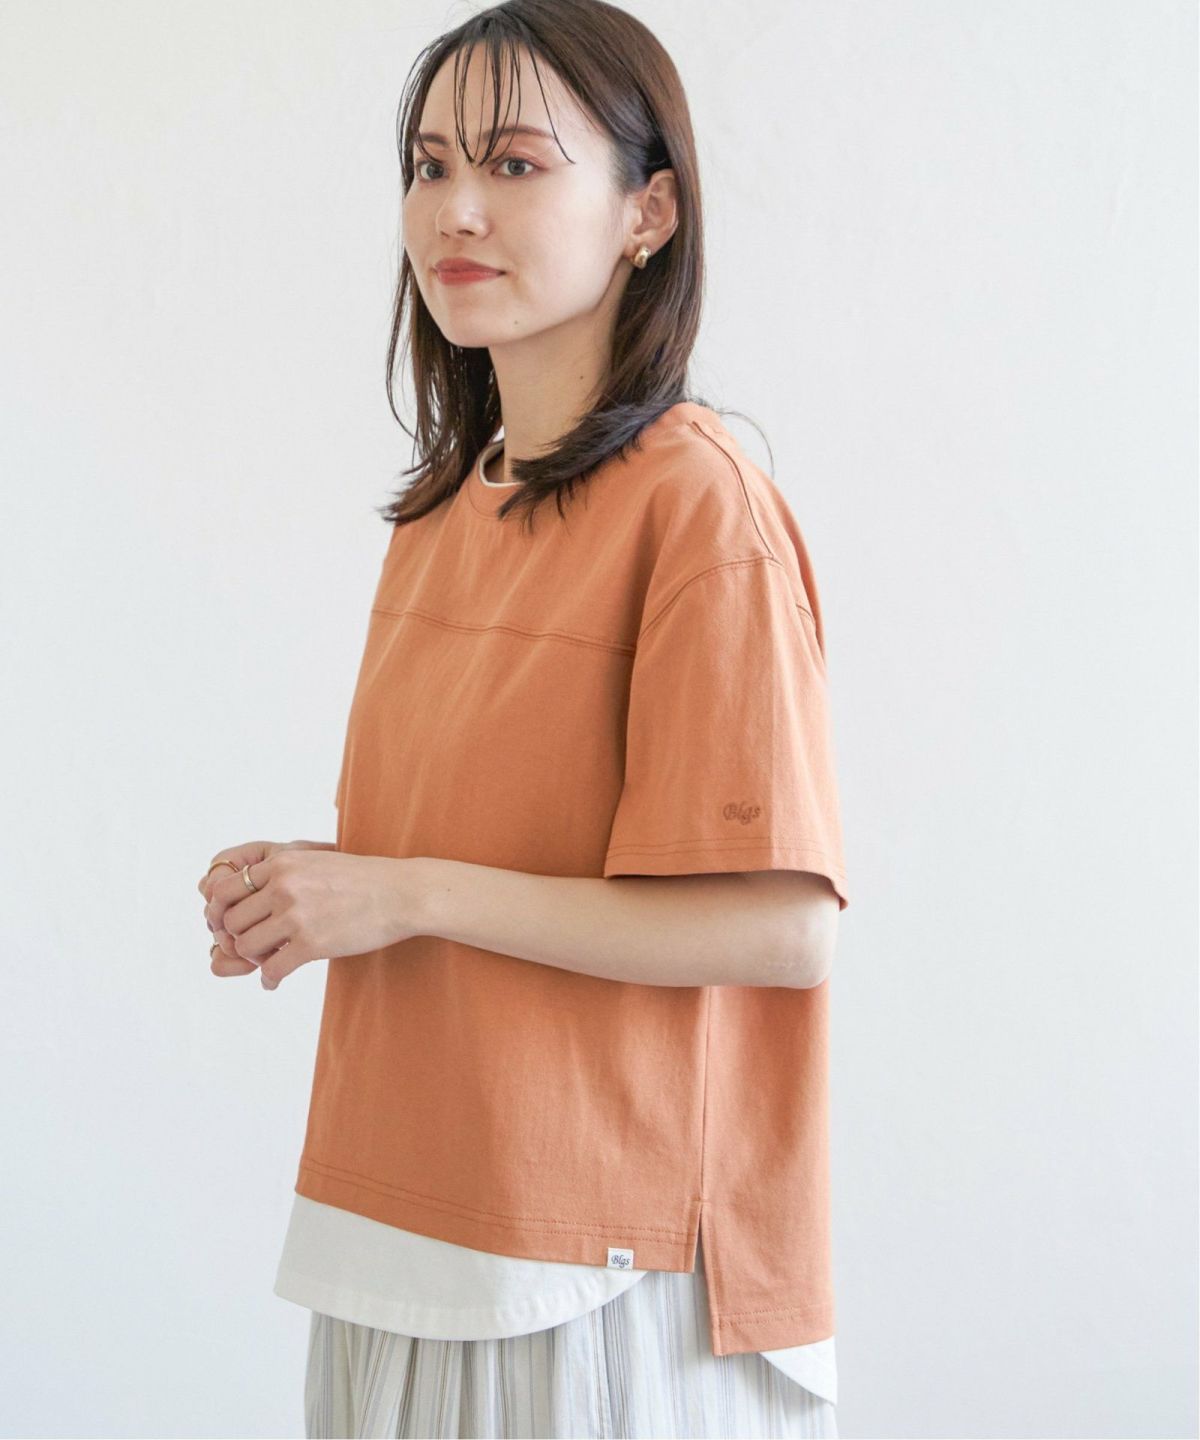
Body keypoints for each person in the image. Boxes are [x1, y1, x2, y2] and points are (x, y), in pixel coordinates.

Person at [199, 2, 850, 1435]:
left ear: (646, 213)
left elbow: (781, 924)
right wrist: (319, 892)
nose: (455, 209)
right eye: (429, 166)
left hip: (593, 1266)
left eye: (512, 163)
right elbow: (492, 863)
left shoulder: (700, 508)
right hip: (401, 1222)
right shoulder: (447, 508)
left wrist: (404, 894)